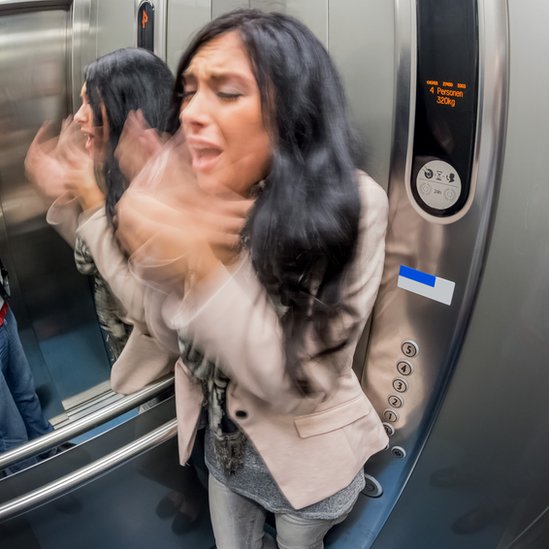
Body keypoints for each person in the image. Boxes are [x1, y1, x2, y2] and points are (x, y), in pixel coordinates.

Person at [115, 10, 389, 548]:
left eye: (228, 91)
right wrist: (149, 246)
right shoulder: (199, 194)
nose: (191, 111)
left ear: (293, 108)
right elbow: (170, 341)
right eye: (188, 90)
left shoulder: (355, 206)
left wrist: (202, 259)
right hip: (225, 455)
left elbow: (301, 384)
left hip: (309, 469)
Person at [0, 257, 54, 474]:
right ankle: (33, 486)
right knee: (11, 432)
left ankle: (50, 453)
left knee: (27, 397)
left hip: (3, 316)